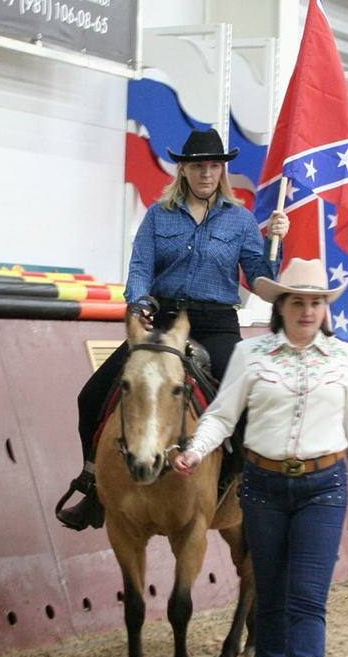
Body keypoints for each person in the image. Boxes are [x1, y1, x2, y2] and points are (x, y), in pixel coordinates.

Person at [172, 257, 348, 657]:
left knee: (307, 603)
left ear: (325, 308)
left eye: (316, 302)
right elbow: (223, 415)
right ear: (280, 305)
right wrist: (195, 450)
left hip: (323, 488)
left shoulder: (346, 359)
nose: (307, 310)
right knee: (272, 595)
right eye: (297, 301)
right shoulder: (250, 354)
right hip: (262, 488)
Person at [55, 128, 290, 531]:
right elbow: (141, 268)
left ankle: (240, 487)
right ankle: (94, 484)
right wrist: (140, 302)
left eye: (215, 165)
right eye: (199, 165)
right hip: (162, 323)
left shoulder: (241, 221)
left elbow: (259, 280)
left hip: (216, 323)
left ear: (223, 170)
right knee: (91, 396)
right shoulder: (158, 215)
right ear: (184, 169)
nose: (207, 173)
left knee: (251, 402)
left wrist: (276, 245)